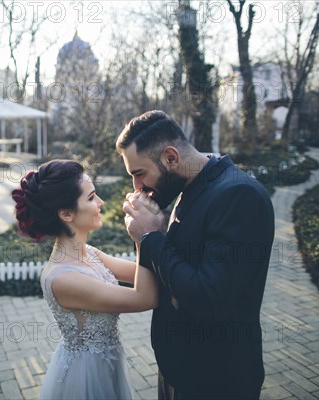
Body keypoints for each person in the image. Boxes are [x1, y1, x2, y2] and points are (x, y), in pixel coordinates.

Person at [118, 111, 275, 400]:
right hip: (178, 373)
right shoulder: (192, 185)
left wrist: (151, 237)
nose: (136, 188)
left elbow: (208, 299)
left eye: (139, 174)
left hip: (215, 380)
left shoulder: (240, 196)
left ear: (171, 157)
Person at [11, 160, 159, 400]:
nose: (100, 203)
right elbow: (146, 297)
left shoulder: (88, 251)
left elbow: (142, 274)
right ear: (66, 213)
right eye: (91, 198)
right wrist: (142, 236)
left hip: (107, 365)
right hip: (86, 377)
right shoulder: (63, 278)